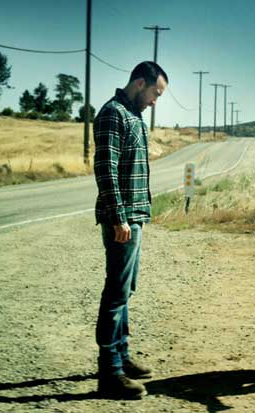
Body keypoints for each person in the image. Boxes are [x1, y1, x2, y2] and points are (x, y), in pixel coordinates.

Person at [93, 61, 168, 399]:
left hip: (135, 216)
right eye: (155, 93)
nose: (155, 101)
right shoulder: (113, 114)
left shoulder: (134, 115)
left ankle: (121, 356)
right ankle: (109, 373)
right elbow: (105, 169)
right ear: (140, 83)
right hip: (121, 219)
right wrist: (118, 217)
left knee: (126, 289)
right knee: (115, 293)